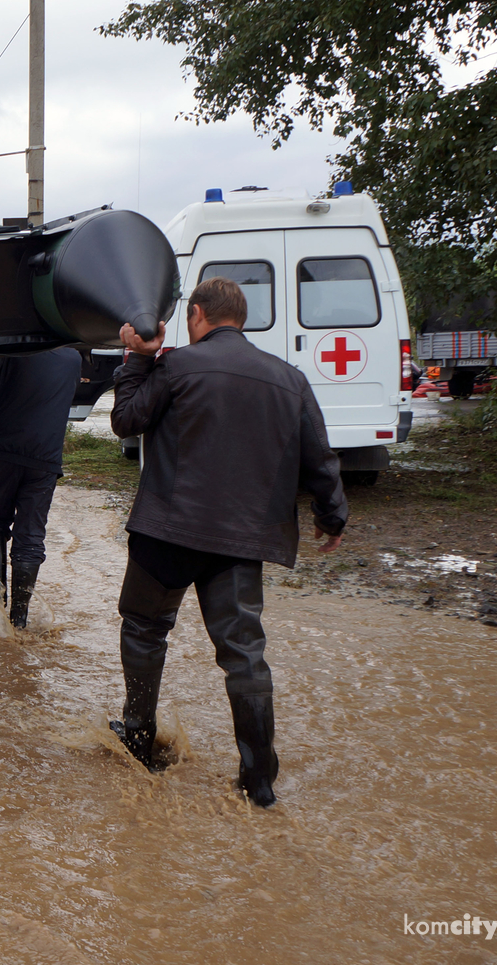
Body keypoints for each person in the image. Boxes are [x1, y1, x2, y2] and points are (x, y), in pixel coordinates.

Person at [110, 277, 347, 807]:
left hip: (166, 533)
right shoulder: (289, 379)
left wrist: (137, 358)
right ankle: (258, 781)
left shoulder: (175, 366)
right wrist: (332, 516)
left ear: (197, 314)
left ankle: (139, 740)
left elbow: (126, 420)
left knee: (145, 632)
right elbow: (319, 454)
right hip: (240, 540)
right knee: (243, 654)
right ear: (241, 318)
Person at [0, 348, 82, 629]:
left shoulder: (7, 346)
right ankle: (19, 621)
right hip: (45, 458)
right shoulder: (73, 358)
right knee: (31, 535)